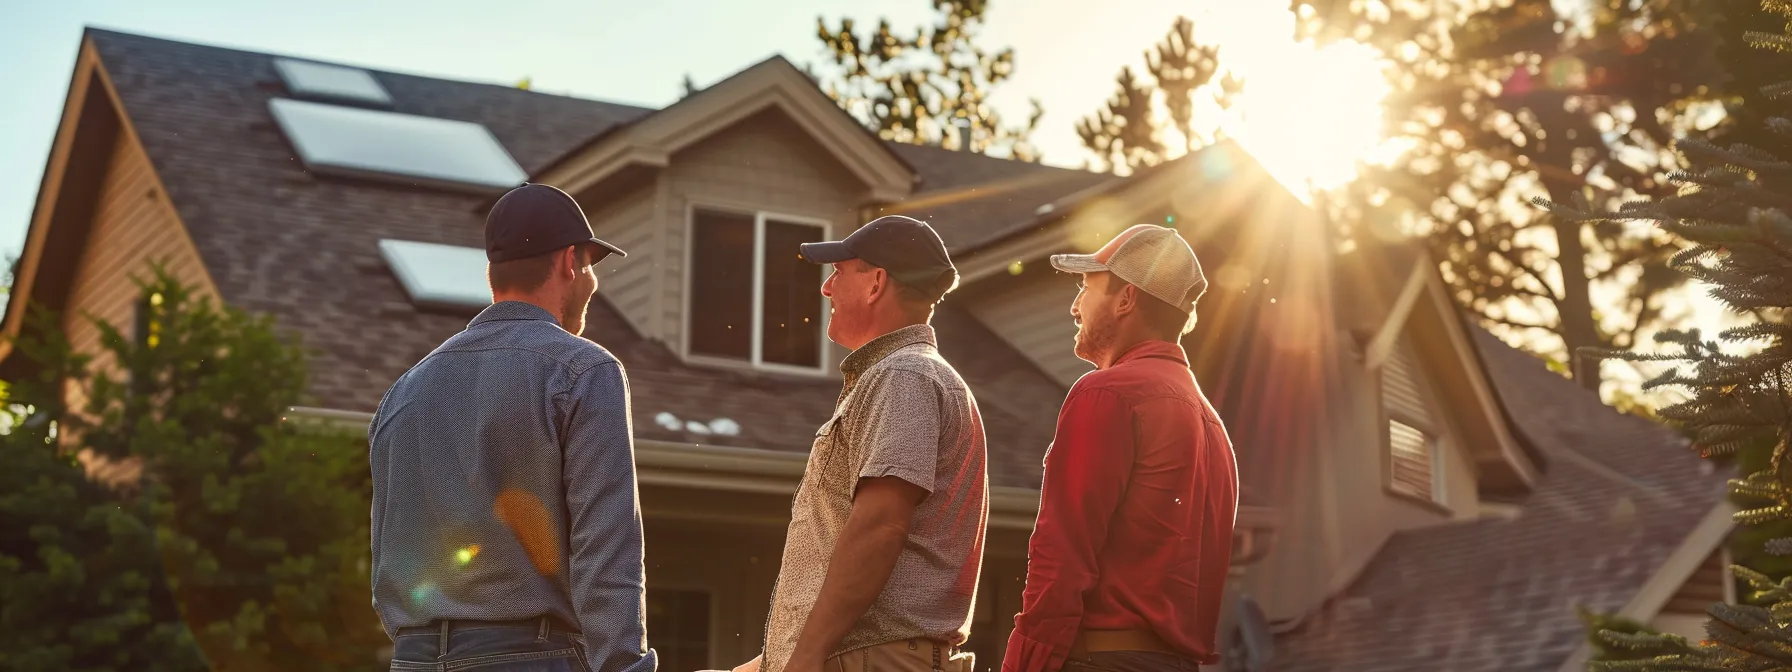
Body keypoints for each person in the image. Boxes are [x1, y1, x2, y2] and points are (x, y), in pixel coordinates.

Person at [369, 183, 657, 672]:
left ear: (492, 274)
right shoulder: (583, 371)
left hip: (412, 660)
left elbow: (387, 554)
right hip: (531, 657)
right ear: (570, 262)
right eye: (589, 267)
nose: (590, 284)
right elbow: (606, 547)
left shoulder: (404, 392)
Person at [734, 215, 990, 672]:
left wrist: (805, 658)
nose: (826, 289)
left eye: (839, 272)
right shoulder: (906, 376)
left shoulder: (902, 376)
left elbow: (880, 528)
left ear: (876, 284)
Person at [1002, 224, 1239, 672]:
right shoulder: (1212, 425)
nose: (1075, 307)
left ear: (1126, 298)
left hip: (1098, 658)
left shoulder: (1108, 393)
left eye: (1086, 288)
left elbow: (1062, 552)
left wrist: (1024, 663)